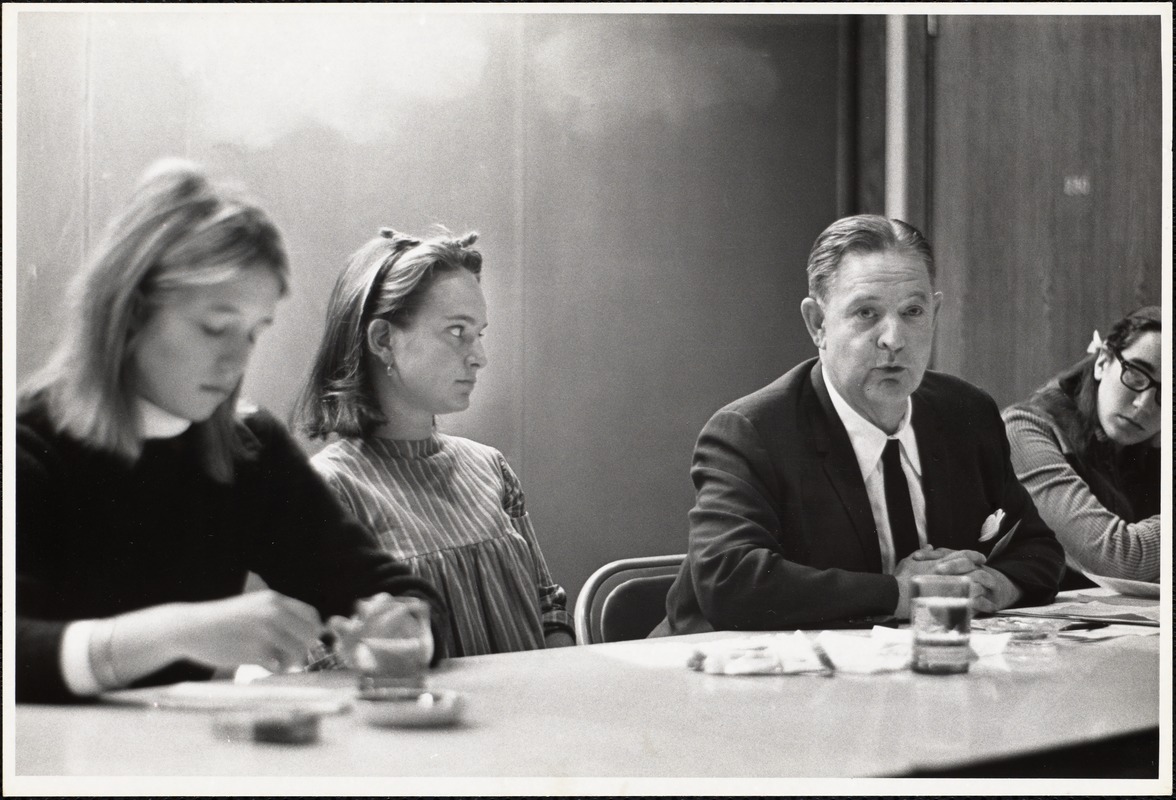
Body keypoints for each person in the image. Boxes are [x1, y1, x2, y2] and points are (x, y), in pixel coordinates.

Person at [16, 160, 446, 703]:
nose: (236, 358)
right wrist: (176, 632)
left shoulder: (249, 445)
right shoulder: (28, 447)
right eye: (214, 326)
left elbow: (394, 592)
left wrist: (403, 625)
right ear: (128, 311)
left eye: (253, 332)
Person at [654, 214, 1066, 635]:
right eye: (867, 313)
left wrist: (990, 585)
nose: (894, 338)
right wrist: (903, 595)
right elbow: (732, 582)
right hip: (738, 676)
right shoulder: (751, 432)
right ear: (818, 324)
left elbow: (1037, 547)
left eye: (913, 311)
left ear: (935, 314)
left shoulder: (966, 413)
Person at [293, 227, 575, 657]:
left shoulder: (490, 467)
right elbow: (326, 663)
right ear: (384, 340)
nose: (479, 356)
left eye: (479, 333)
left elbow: (547, 608)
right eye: (457, 331)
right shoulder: (330, 492)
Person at [1002, 307, 1161, 589]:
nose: (1144, 405)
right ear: (1103, 361)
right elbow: (1115, 559)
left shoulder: (1144, 451)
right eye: (1136, 375)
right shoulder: (1025, 429)